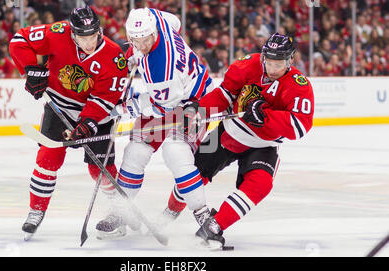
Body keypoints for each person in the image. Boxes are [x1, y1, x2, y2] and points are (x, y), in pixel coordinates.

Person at [171, 33, 315, 249]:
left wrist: (265, 117)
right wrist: (198, 109)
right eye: (269, 62)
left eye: (279, 64)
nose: (273, 69)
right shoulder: (247, 65)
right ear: (263, 57)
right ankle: (169, 212)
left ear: (290, 61)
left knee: (261, 184)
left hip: (263, 144)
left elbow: (299, 125)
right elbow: (223, 96)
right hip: (229, 134)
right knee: (193, 176)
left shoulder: (298, 85)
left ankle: (214, 226)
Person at [94, 7, 215, 240]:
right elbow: (176, 22)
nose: (141, 45)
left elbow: (161, 107)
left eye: (145, 41)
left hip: (195, 104)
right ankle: (121, 214)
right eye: (135, 41)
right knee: (134, 152)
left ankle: (204, 217)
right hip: (165, 96)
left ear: (153, 33)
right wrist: (132, 53)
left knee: (176, 153)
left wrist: (124, 108)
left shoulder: (162, 67)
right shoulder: (154, 18)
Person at [9, 6, 128, 240]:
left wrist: (88, 123)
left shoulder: (114, 57)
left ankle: (119, 212)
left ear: (99, 31)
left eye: (93, 36)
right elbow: (19, 39)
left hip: (97, 115)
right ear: (72, 33)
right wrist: (31, 69)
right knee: (47, 159)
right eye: (82, 37)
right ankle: (36, 210)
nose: (89, 42)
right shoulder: (57, 32)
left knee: (99, 169)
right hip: (58, 105)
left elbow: (105, 98)